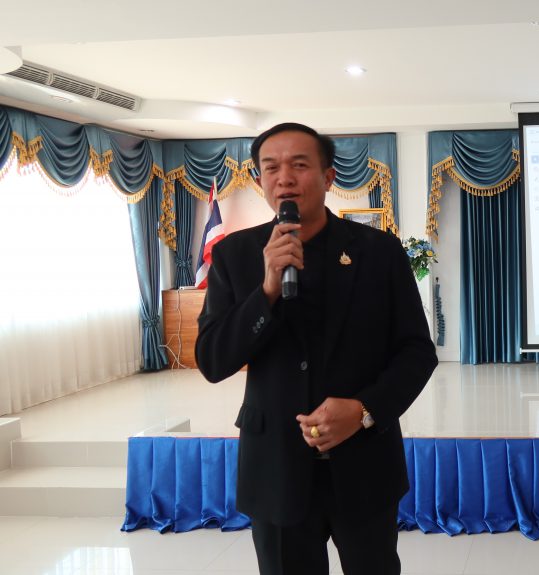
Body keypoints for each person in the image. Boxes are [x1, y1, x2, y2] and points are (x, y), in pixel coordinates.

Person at [195, 122, 437, 575]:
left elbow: (417, 351)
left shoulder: (379, 251)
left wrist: (364, 410)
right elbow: (212, 360)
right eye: (271, 167)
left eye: (299, 165)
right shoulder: (235, 255)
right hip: (275, 470)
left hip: (365, 464)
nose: (284, 178)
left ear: (328, 177)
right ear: (260, 180)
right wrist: (267, 291)